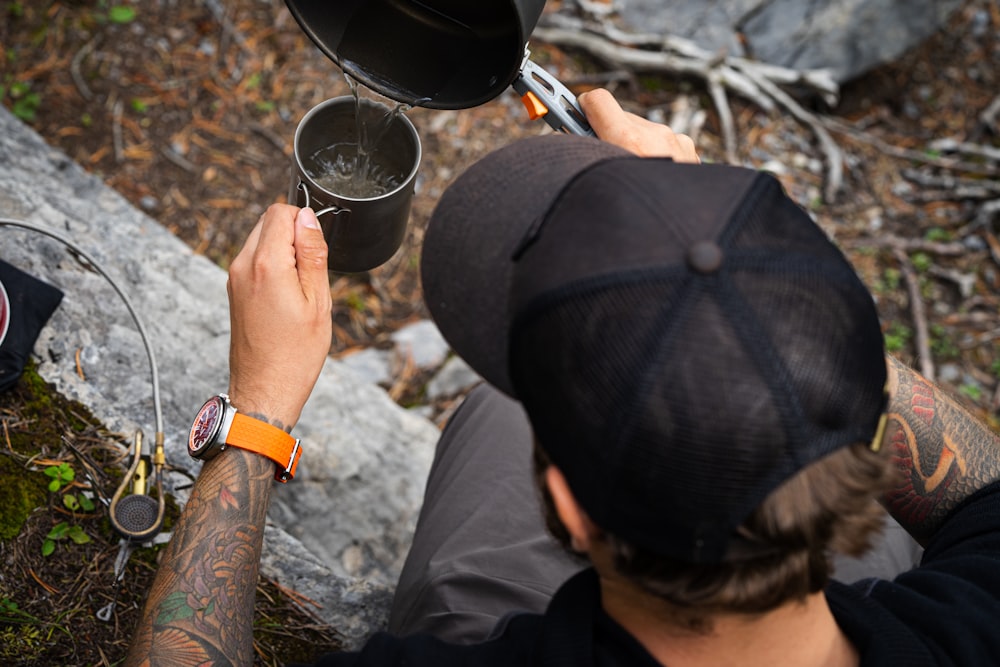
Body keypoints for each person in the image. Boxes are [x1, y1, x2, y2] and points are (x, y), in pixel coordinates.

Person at [124, 89, 1000, 666]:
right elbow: (980, 490)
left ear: (572, 512)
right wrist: (746, 292)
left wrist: (258, 412)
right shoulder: (964, 623)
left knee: (498, 421)